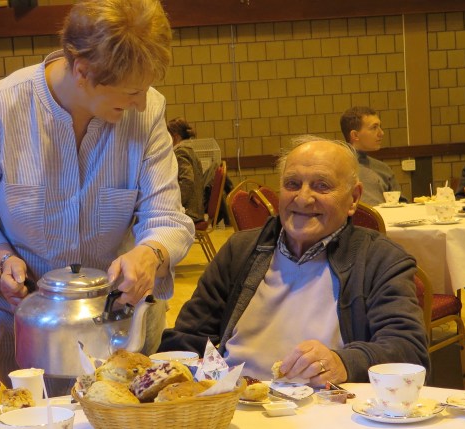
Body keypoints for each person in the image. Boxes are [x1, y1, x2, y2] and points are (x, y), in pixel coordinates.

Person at [0, 0, 194, 391]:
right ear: (82, 71)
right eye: (132, 92)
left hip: (117, 326)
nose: (142, 103)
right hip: (27, 327)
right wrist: (1, 258)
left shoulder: (147, 112)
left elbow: (167, 217)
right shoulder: (0, 108)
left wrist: (150, 253)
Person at [159, 136, 429, 384]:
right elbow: (188, 338)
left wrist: (343, 362)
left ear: (353, 199)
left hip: (326, 406)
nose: (303, 198)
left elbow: (407, 349)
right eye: (292, 184)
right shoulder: (240, 251)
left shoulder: (380, 260)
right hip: (234, 401)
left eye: (322, 186)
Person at [340, 106, 402, 206]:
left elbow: (401, 203)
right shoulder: (336, 168)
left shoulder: (383, 169)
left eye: (380, 127)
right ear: (355, 135)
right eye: (374, 127)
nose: (381, 133)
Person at [167, 118, 207, 222]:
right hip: (195, 211)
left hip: (190, 213)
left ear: (175, 137)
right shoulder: (189, 151)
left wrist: (173, 203)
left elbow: (187, 181)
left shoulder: (180, 152)